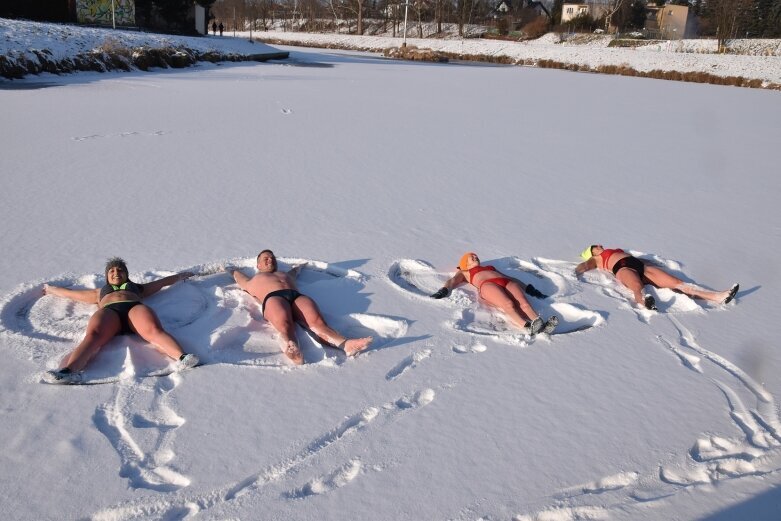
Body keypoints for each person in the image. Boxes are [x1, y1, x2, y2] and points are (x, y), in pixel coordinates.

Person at [42, 258, 200, 384]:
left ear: (126, 275)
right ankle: (68, 371)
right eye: (112, 270)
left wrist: (181, 276)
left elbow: (162, 283)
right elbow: (71, 294)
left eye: (120, 270)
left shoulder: (137, 288)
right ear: (107, 276)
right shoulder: (99, 293)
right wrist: (51, 290)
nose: (116, 272)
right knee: (93, 336)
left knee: (153, 330)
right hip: (110, 313)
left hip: (134, 309)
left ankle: (183, 357)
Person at [226, 249, 373, 365]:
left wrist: (299, 267)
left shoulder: (285, 275)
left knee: (318, 322)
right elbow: (240, 278)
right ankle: (292, 350)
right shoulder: (254, 280)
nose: (270, 259)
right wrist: (231, 270)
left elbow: (294, 272)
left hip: (296, 296)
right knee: (285, 324)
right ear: (258, 265)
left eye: (272, 258)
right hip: (274, 298)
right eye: (266, 258)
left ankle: (345, 344)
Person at [575, 244, 739, 310]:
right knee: (636, 286)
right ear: (592, 252)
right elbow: (584, 266)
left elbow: (637, 258)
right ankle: (644, 302)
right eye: (594, 246)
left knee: (677, 283)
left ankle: (718, 296)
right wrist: (575, 272)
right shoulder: (596, 259)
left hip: (642, 266)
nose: (599, 245)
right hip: (622, 269)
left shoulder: (617, 249)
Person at [430, 252, 558, 335]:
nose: (475, 257)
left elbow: (511, 278)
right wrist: (444, 290)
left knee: (524, 304)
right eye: (471, 257)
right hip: (487, 285)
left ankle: (541, 324)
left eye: (476, 256)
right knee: (508, 304)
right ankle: (527, 326)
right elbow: (452, 281)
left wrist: (530, 289)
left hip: (506, 281)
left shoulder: (490, 267)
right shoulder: (464, 272)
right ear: (464, 263)